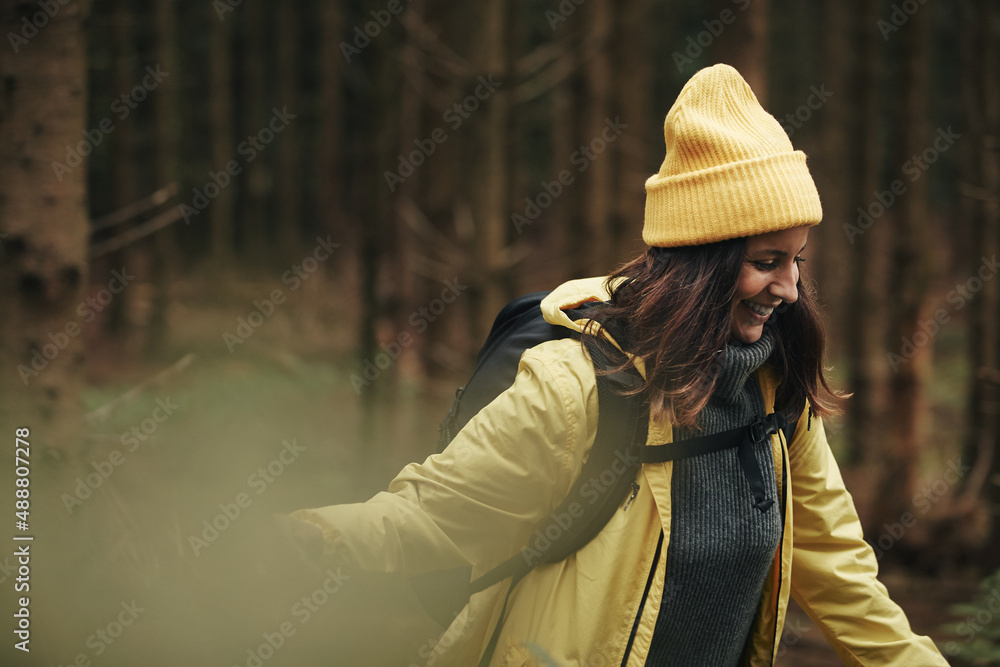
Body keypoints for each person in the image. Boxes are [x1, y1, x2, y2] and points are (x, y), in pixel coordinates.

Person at [290, 64, 948, 666]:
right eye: (767, 262)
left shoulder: (778, 395)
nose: (791, 289)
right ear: (701, 261)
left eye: (797, 259)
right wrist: (290, 545)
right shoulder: (578, 385)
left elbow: (839, 572)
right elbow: (432, 516)